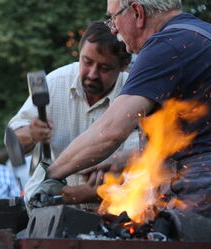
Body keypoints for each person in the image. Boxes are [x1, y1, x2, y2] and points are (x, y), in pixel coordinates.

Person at [30, 0, 211, 229]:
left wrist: (52, 175)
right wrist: (127, 158)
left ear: (137, 12)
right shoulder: (209, 35)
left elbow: (110, 130)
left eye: (113, 17)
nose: (112, 29)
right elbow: (205, 132)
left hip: (207, 188)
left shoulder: (166, 45)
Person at [9, 20, 139, 210]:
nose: (92, 74)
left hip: (115, 213)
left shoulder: (136, 95)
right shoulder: (54, 83)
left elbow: (144, 169)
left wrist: (72, 195)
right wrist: (30, 134)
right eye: (86, 62)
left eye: (104, 68)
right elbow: (13, 145)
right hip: (48, 210)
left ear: (123, 67)